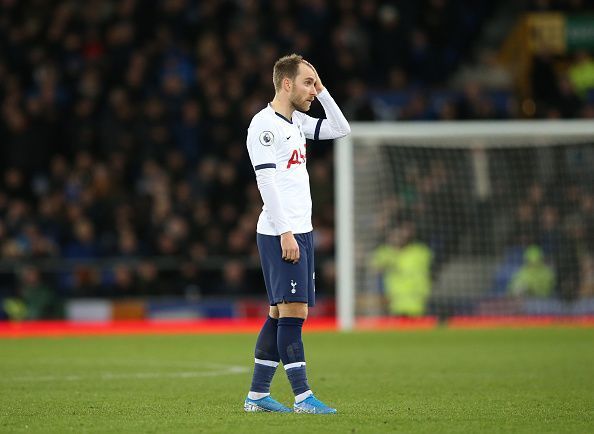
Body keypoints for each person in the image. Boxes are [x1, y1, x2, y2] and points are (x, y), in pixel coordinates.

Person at [244, 54, 350, 414]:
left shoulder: (297, 122)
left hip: (299, 231)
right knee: (294, 312)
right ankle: (303, 397)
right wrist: (286, 232)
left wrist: (323, 91)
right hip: (280, 232)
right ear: (286, 83)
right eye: (307, 83)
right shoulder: (264, 126)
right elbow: (266, 181)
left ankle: (257, 396)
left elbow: (340, 129)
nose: (311, 90)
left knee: (279, 314)